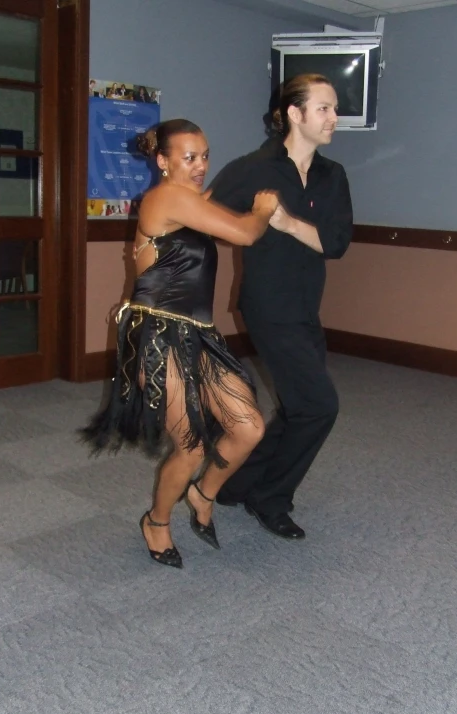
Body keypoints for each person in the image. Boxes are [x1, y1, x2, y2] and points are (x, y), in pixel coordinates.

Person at [81, 118, 281, 569]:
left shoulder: (187, 202)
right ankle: (156, 520)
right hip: (158, 336)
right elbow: (246, 232)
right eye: (188, 157)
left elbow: (162, 248)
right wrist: (265, 208)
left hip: (198, 333)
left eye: (204, 155)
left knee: (248, 428)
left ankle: (203, 490)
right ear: (163, 161)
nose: (200, 165)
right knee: (190, 444)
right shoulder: (168, 196)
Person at [209, 73, 353, 540]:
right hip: (268, 305)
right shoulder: (253, 168)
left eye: (335, 109)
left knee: (297, 408)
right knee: (318, 406)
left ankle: (234, 483)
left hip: (307, 305)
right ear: (294, 113)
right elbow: (205, 215)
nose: (335, 118)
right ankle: (269, 498)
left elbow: (335, 242)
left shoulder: (333, 175)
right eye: (325, 108)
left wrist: (288, 223)